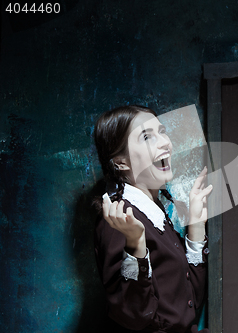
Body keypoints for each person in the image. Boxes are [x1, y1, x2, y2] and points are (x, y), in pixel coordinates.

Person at [93, 105, 212, 333]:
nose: (165, 142)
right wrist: (135, 246)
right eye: (147, 136)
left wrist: (196, 224)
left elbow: (188, 305)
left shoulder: (153, 213)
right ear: (121, 162)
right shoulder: (119, 219)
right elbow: (133, 316)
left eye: (162, 131)